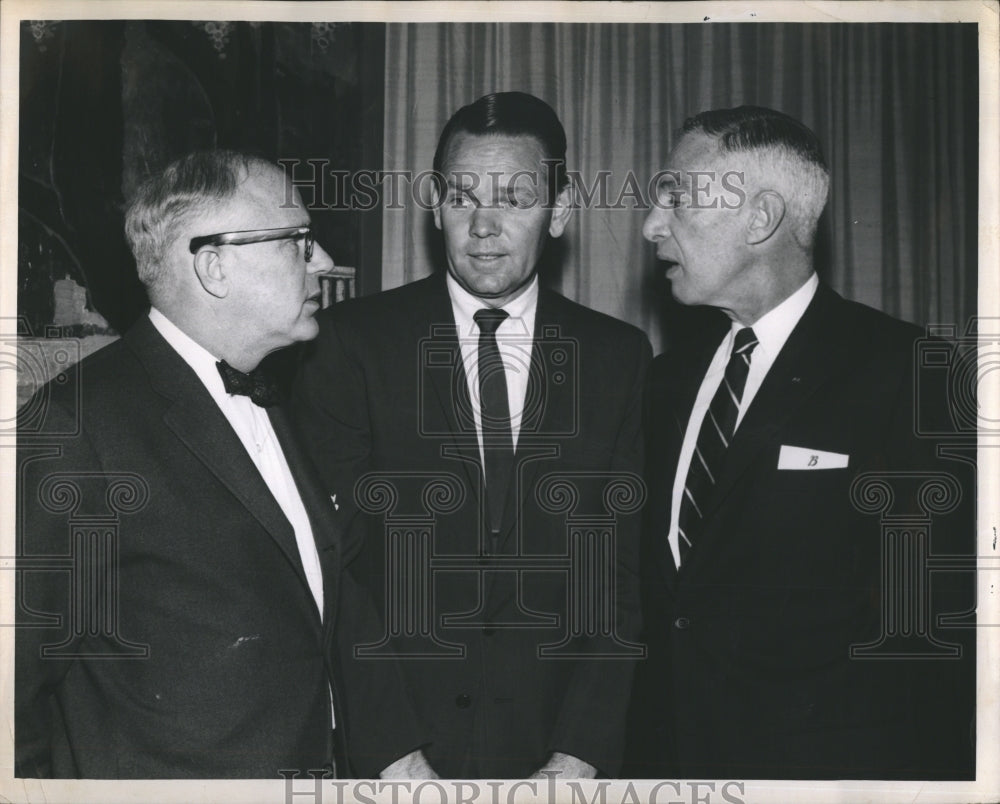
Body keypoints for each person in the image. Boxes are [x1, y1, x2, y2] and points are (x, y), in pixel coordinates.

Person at [15, 150, 426, 778]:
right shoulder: (78, 425)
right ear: (214, 265)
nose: (322, 262)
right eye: (298, 241)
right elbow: (12, 696)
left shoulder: (280, 393)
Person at [291, 92, 651, 778]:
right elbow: (338, 568)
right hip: (394, 749)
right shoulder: (349, 346)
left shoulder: (617, 357)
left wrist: (581, 752)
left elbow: (620, 575)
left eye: (513, 199)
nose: (483, 227)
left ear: (560, 211)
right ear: (434, 206)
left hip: (558, 750)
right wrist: (390, 751)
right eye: (461, 198)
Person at [625, 106, 975, 779]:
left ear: (760, 220)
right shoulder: (666, 380)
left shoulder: (903, 371)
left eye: (675, 196)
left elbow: (935, 633)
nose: (651, 224)